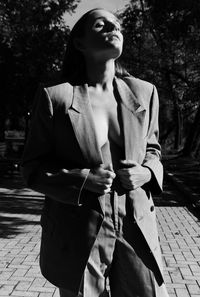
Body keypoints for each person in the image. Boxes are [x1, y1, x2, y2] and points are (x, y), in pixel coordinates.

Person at [21, 8, 169, 297]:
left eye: (116, 25)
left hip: (136, 225)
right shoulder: (57, 96)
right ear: (79, 43)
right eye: (100, 25)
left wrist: (147, 172)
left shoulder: (144, 92)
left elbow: (153, 149)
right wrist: (83, 179)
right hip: (79, 230)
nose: (112, 28)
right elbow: (32, 168)